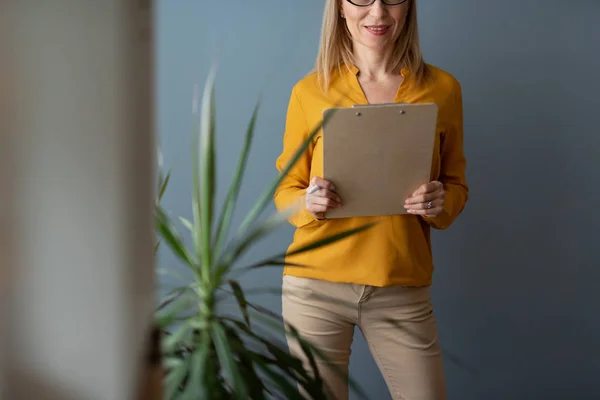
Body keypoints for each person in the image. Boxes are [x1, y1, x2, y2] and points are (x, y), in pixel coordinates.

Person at [274, 0, 468, 399]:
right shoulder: (310, 91)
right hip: (315, 289)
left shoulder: (443, 89)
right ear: (340, 9)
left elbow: (456, 185)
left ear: (408, 8)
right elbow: (284, 192)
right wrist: (308, 202)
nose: (377, 12)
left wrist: (439, 201)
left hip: (401, 285)